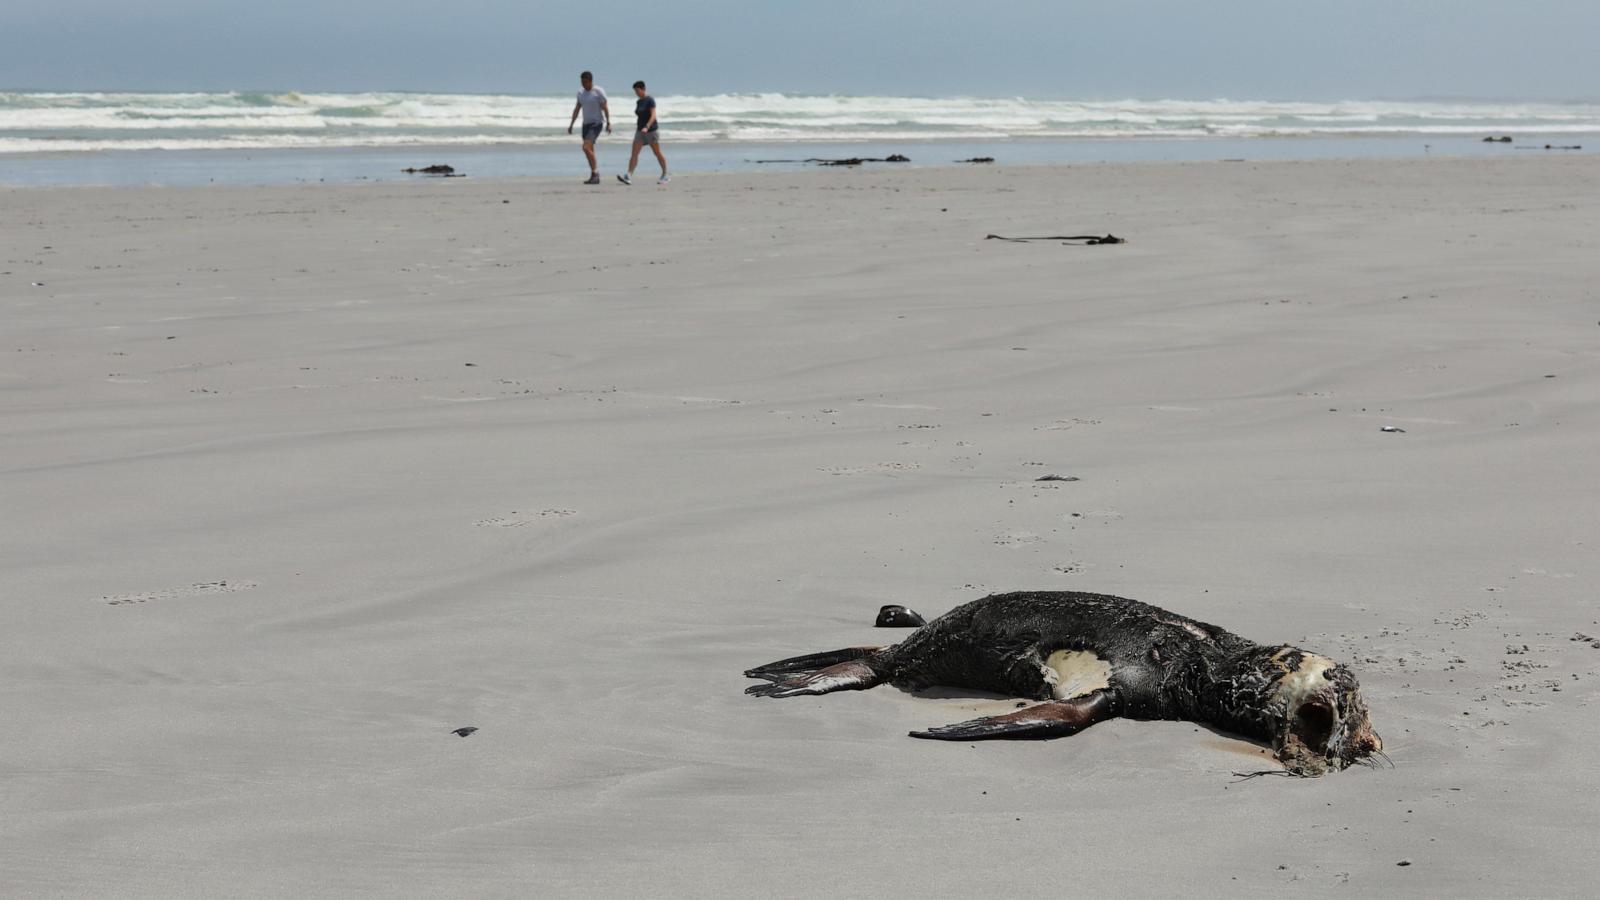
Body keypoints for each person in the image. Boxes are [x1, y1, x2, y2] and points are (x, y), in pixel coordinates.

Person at [617, 81, 668, 185]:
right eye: (635, 91)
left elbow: (653, 116)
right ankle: (628, 175)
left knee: (656, 153)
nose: (636, 93)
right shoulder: (639, 102)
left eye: (637, 90)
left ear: (643, 88)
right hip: (640, 131)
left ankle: (665, 174)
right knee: (634, 153)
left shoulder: (650, 100)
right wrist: (641, 128)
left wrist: (647, 126)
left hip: (651, 131)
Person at [567, 71, 611, 185]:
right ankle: (593, 175)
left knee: (585, 148)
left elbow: (605, 107)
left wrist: (609, 123)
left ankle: (596, 173)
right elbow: (577, 108)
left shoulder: (598, 91)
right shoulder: (580, 92)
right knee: (589, 150)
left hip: (596, 124)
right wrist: (571, 124)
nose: (583, 84)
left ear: (591, 81)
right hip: (585, 124)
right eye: (582, 82)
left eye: (585, 82)